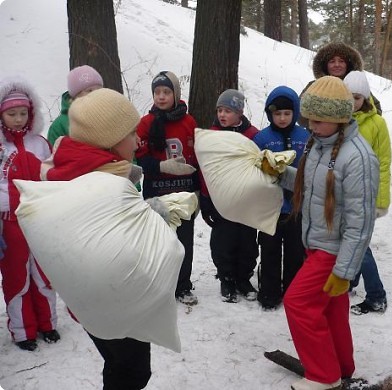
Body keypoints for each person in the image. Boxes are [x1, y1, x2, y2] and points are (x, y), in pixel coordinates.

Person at [42, 88, 153, 389]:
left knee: (118, 365)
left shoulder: (73, 170)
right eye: (131, 133)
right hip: (114, 300)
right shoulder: (105, 185)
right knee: (133, 371)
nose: (137, 140)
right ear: (110, 141)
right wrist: (156, 217)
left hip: (88, 300)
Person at [274, 76, 379, 390]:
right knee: (331, 310)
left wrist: (345, 270)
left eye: (319, 120)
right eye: (310, 119)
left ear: (339, 118)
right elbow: (312, 187)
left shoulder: (358, 157)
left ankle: (323, 377)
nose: (311, 125)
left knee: (297, 302)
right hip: (317, 243)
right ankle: (341, 368)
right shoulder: (320, 144)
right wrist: (280, 173)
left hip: (333, 250)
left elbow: (361, 222)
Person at [0, 76, 60, 351]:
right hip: (10, 224)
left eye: (23, 113)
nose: (18, 119)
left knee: (44, 275)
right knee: (16, 278)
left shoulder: (40, 144)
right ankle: (23, 331)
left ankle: (48, 323)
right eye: (12, 114)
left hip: (40, 222)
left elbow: (52, 176)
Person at [135, 71, 199, 306]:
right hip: (157, 192)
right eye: (157, 92)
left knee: (184, 241)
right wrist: (161, 165)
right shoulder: (146, 123)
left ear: (176, 94)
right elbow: (139, 159)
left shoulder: (189, 121)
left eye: (166, 92)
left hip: (184, 193)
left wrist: (198, 190)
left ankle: (183, 285)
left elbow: (196, 159)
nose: (161, 97)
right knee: (158, 241)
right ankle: (160, 286)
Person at [199, 89, 260, 303]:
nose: (222, 115)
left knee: (247, 244)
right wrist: (205, 201)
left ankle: (243, 279)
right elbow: (206, 169)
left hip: (246, 202)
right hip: (221, 201)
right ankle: (226, 278)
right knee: (222, 243)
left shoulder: (253, 135)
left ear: (240, 112)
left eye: (228, 110)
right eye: (220, 110)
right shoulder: (211, 135)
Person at [252, 86, 309, 310]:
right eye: (277, 114)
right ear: (270, 114)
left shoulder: (305, 137)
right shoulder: (262, 138)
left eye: (287, 113)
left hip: (296, 208)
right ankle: (269, 293)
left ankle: (293, 292)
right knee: (269, 251)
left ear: (295, 113)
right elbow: (252, 168)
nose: (283, 118)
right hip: (271, 209)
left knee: (296, 252)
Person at [343, 71, 391, 315]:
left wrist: (380, 201)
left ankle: (376, 296)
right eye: (348, 96)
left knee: (359, 245)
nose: (352, 102)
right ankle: (350, 282)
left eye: (357, 97)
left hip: (364, 195)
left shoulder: (377, 123)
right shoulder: (337, 120)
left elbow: (383, 162)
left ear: (366, 98)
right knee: (349, 240)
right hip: (342, 193)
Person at [299, 42, 381, 128]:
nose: (337, 65)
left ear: (348, 64)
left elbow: (375, 110)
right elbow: (300, 112)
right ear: (325, 65)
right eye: (332, 61)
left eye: (341, 61)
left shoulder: (357, 85)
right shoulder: (315, 86)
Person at [47, 65, 104, 146]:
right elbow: (55, 154)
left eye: (99, 90)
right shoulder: (60, 125)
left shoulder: (109, 116)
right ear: (75, 95)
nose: (95, 94)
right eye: (89, 90)